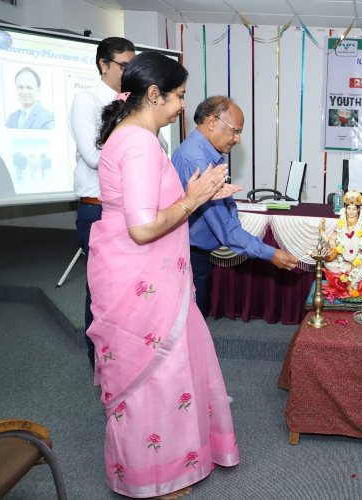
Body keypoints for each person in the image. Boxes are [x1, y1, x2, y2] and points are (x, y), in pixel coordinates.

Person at [88, 51, 239, 499]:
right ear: (153, 94)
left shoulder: (138, 137)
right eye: (178, 97)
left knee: (168, 371)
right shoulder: (136, 142)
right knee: (153, 375)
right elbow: (143, 226)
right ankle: (154, 478)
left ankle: (168, 466)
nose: (180, 108)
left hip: (153, 276)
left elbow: (151, 206)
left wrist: (203, 192)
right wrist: (193, 201)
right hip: (141, 278)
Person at [171, 96, 299, 316]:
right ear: (212, 122)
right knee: (192, 321)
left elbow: (226, 211)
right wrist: (270, 254)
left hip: (195, 252)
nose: (238, 139)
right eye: (235, 131)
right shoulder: (198, 161)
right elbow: (224, 227)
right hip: (190, 254)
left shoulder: (207, 154)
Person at [68, 36, 136, 369]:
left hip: (128, 209)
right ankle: (98, 358)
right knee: (101, 289)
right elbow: (94, 157)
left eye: (131, 66)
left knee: (127, 288)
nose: (128, 72)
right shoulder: (87, 100)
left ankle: (123, 352)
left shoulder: (135, 101)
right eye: (124, 66)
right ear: (103, 65)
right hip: (96, 208)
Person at [318, 190, 362, 298]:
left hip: (357, 257)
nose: (351, 211)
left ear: (358, 210)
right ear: (345, 209)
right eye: (348, 208)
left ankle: (351, 284)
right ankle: (349, 269)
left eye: (354, 208)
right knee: (327, 264)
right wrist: (322, 232)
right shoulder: (340, 223)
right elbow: (332, 241)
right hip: (343, 257)